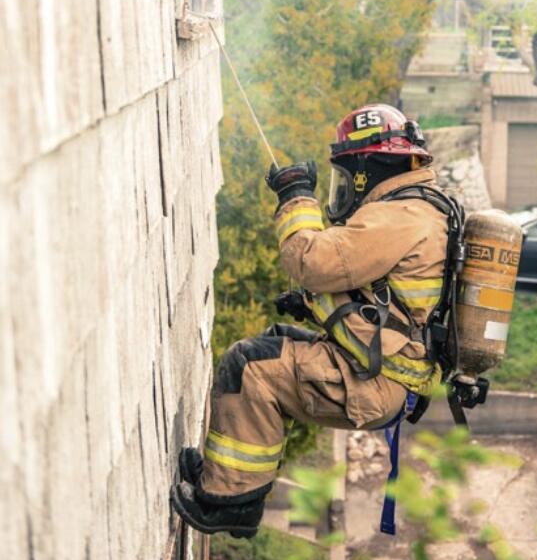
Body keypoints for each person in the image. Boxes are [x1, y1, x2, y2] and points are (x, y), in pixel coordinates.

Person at [171, 104, 448, 537]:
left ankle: (231, 503)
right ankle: (221, 476)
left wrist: (295, 197)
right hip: (386, 372)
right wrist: (315, 306)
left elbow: (312, 261)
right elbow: (384, 299)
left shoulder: (400, 215)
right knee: (275, 342)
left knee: (250, 367)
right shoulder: (419, 208)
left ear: (367, 169)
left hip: (376, 383)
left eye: (347, 175)